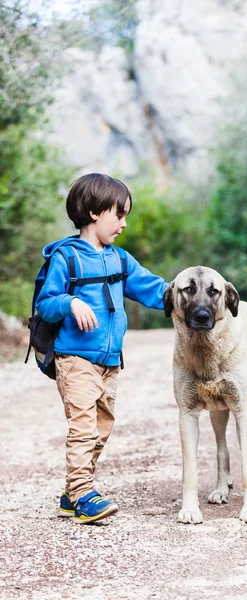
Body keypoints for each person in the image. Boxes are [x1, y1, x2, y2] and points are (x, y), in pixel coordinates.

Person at [36, 173, 168, 524]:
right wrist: (69, 303)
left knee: (102, 428)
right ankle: (82, 492)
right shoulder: (66, 258)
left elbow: (153, 289)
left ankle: (72, 493)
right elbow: (45, 304)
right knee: (83, 428)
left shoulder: (120, 259)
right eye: (119, 215)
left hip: (110, 361)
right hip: (75, 359)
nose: (124, 224)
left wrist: (185, 291)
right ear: (95, 212)